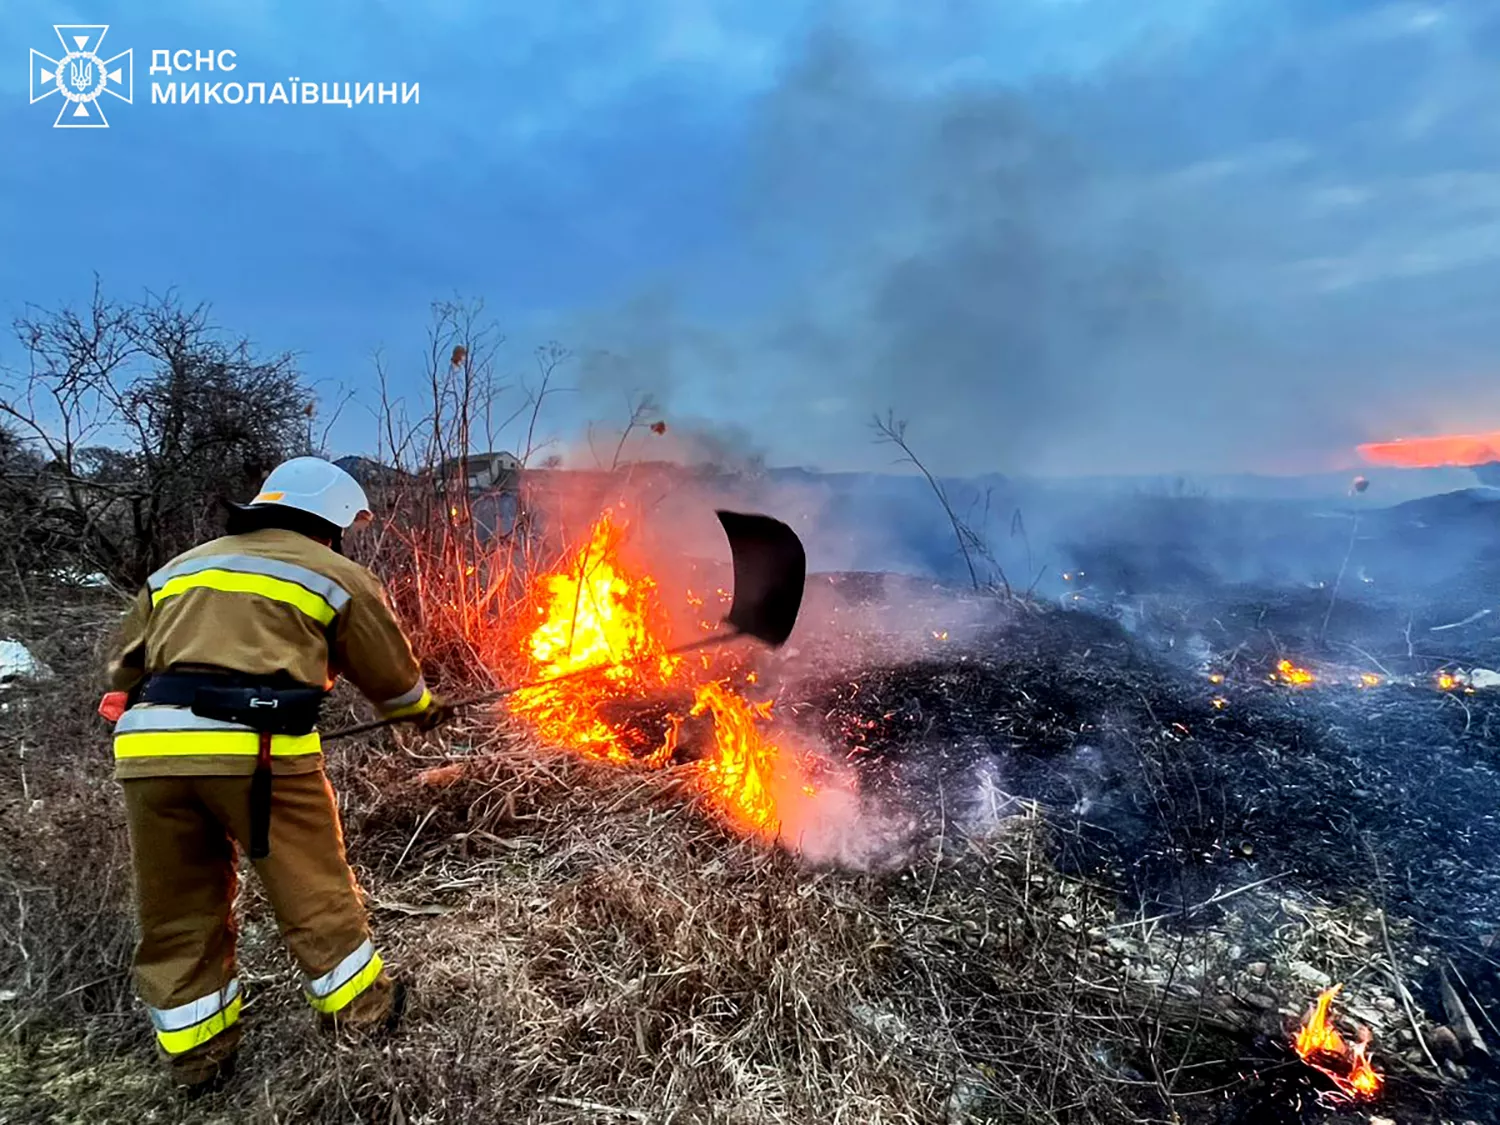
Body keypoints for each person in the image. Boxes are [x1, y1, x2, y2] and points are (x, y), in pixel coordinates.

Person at [100, 456, 451, 1094]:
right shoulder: (333, 572)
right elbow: (393, 678)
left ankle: (198, 1060)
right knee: (311, 882)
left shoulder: (181, 567)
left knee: (176, 905)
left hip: (147, 756)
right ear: (333, 522)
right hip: (257, 750)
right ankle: (363, 1013)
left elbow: (122, 669)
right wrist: (422, 711)